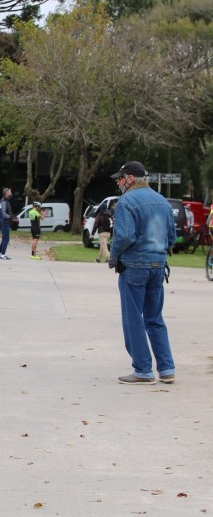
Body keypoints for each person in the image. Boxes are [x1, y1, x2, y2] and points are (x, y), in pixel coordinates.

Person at [108, 161, 176, 385]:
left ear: (130, 179)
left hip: (135, 266)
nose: (118, 182)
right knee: (154, 318)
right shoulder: (163, 202)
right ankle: (166, 368)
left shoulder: (126, 201)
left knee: (133, 319)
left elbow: (125, 236)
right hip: (158, 266)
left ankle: (143, 370)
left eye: (120, 178)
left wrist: (113, 255)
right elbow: (172, 238)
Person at [0, 188, 14, 260]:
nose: (11, 194)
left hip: (6, 222)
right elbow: (2, 213)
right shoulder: (4, 201)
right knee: (6, 239)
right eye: (10, 192)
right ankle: (3, 254)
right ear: (6, 193)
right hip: (4, 222)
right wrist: (9, 216)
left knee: (4, 238)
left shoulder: (6, 201)